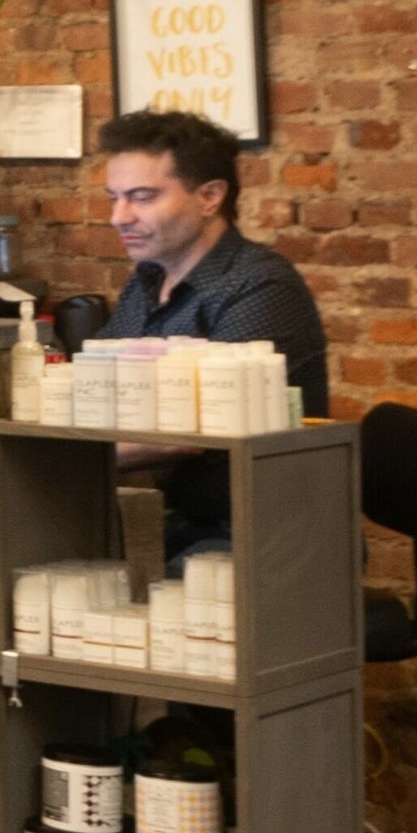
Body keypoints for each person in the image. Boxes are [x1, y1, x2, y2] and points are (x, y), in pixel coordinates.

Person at [95, 106, 327, 547]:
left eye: (141, 197)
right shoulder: (148, 278)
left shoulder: (259, 285)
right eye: (114, 197)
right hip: (169, 521)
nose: (118, 217)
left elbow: (187, 434)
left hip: (257, 534)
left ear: (209, 197)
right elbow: (104, 394)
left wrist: (60, 456)